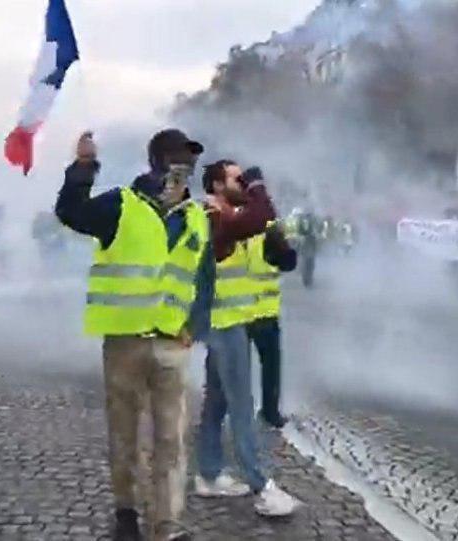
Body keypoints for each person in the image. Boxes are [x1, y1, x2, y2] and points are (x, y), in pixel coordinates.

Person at [56, 129, 210, 541]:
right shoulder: (121, 205)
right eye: (180, 157)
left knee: (170, 437)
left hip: (173, 342)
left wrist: (196, 324)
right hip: (125, 340)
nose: (187, 167)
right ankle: (126, 513)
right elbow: (70, 213)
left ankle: (167, 524)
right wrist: (83, 168)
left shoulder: (196, 216)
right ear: (159, 160)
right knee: (124, 433)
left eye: (191, 161)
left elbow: (203, 276)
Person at [194, 160, 301, 516]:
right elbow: (254, 219)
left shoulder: (240, 216)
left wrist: (282, 249)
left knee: (217, 403)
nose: (243, 182)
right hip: (225, 323)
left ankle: (209, 474)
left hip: (242, 319)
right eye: (235, 178)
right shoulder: (210, 214)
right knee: (242, 405)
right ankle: (262, 486)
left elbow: (272, 244)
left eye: (244, 177)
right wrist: (258, 186)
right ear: (216, 185)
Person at [245, 211, 297, 429]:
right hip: (265, 314)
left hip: (237, 311)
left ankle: (229, 413)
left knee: (233, 368)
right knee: (270, 367)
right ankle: (270, 412)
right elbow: (289, 263)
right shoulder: (271, 230)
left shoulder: (235, 227)